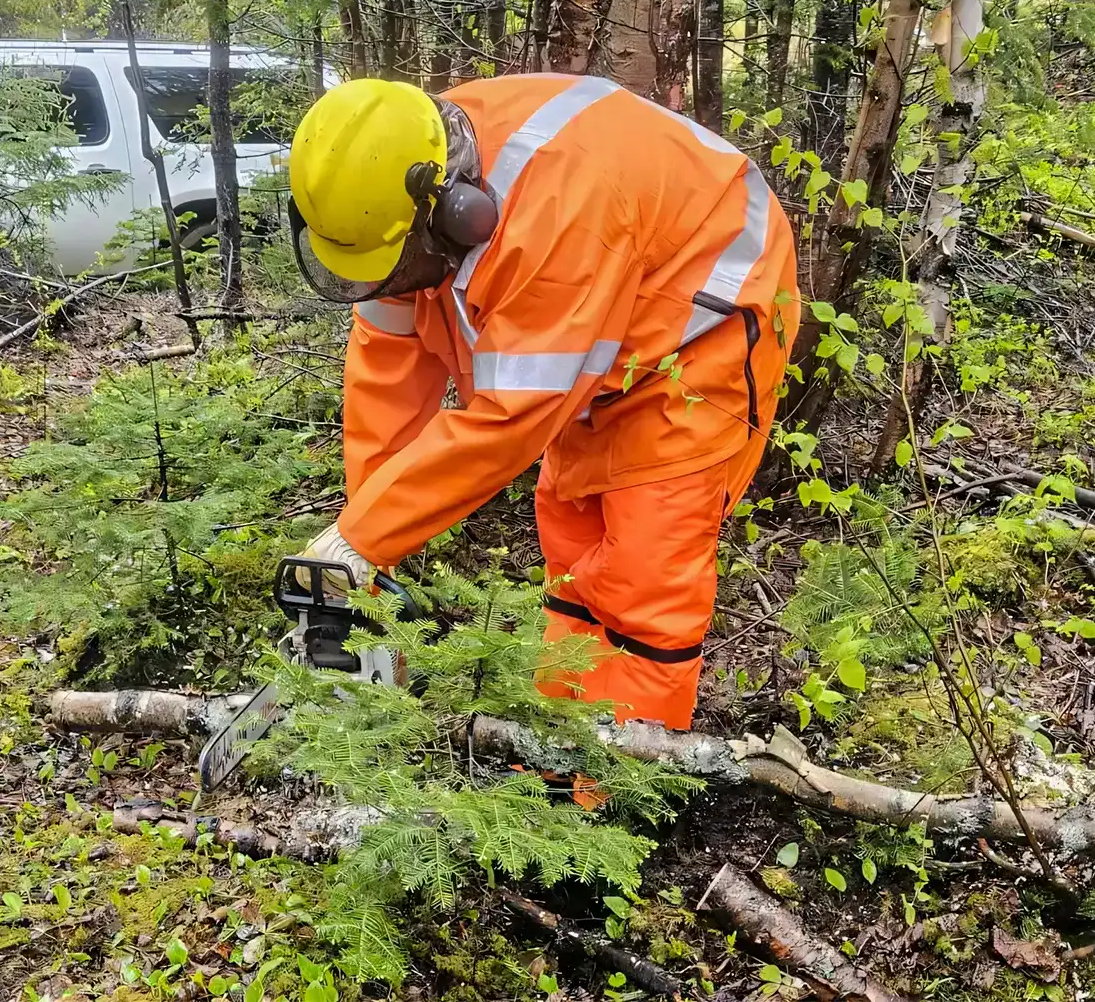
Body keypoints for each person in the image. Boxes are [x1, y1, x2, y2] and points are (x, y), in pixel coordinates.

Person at [287, 74, 798, 731]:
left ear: (458, 215)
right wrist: (365, 540)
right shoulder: (385, 187)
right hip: (606, 313)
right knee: (570, 543)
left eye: (396, 269)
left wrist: (360, 540)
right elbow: (385, 379)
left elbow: (512, 418)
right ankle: (559, 762)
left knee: (647, 565)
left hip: (706, 319)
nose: (388, 287)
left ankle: (619, 792)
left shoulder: (553, 212)